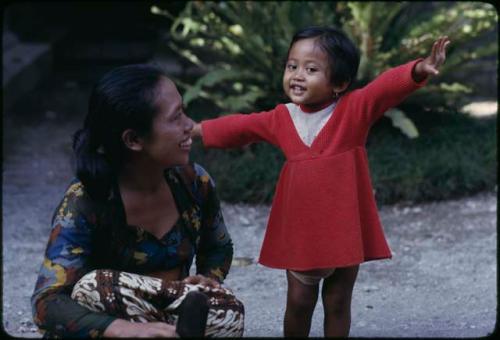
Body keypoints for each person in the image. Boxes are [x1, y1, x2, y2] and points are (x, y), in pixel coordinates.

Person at [191, 26, 450, 337]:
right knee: (299, 302)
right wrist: (196, 130)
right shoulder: (282, 117)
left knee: (338, 300)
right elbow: (242, 126)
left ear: (340, 83)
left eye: (311, 69)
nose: (298, 75)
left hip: (344, 227)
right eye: (292, 66)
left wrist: (419, 69)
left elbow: (384, 88)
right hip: (303, 230)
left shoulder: (353, 110)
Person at [31, 64, 245, 338]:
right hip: (108, 323)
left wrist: (208, 280)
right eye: (176, 117)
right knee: (94, 286)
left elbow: (218, 247)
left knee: (230, 312)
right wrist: (124, 329)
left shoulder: (194, 183)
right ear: (133, 140)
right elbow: (46, 303)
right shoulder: (85, 201)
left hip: (170, 310)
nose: (190, 126)